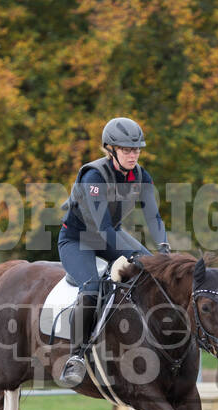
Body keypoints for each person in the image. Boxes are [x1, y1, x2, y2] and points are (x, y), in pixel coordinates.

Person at [58, 117, 170, 386]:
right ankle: (76, 357)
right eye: (127, 150)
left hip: (112, 235)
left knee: (154, 274)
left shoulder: (141, 176)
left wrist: (164, 251)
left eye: (137, 150)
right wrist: (132, 256)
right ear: (111, 149)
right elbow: (102, 227)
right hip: (79, 239)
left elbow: (154, 218)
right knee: (92, 286)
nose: (133, 155)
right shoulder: (94, 176)